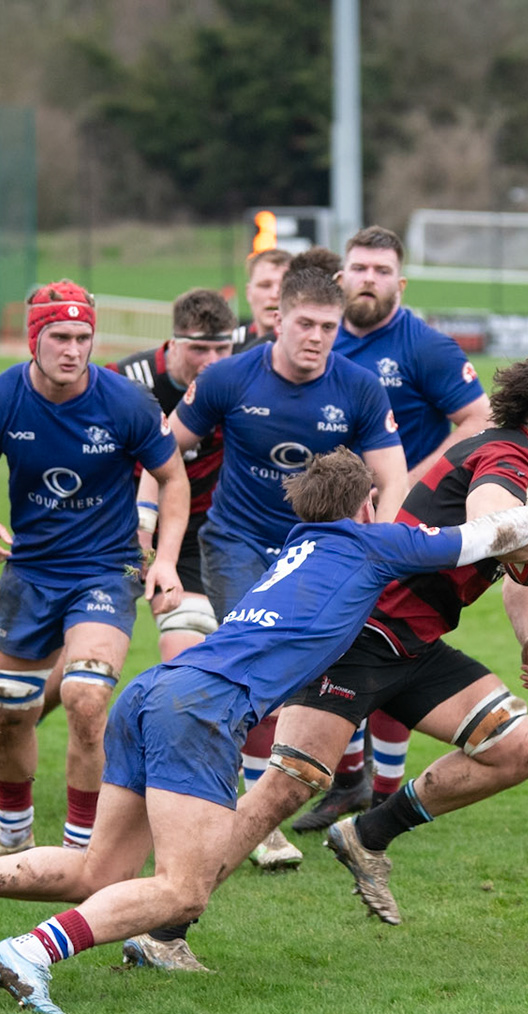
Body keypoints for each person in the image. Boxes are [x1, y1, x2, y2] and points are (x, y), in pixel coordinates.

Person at [0, 448, 528, 1014]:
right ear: (369, 503)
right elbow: (494, 533)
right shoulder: (374, 545)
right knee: (180, 893)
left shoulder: (297, 545)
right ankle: (29, 952)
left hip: (152, 692)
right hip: (201, 711)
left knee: (95, 870)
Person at [238, 347, 528, 930]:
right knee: (287, 790)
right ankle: (166, 921)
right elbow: (497, 533)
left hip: (415, 645)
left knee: (515, 750)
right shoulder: (505, 454)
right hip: (360, 635)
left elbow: (517, 564)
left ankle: (366, 834)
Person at [161, 256, 408, 880]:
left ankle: (268, 791)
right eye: (305, 324)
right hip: (237, 540)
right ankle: (255, 818)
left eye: (329, 326)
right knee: (265, 667)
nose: (317, 338)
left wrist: (386, 546)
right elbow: (166, 451)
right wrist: (154, 538)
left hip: (321, 551)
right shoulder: (229, 378)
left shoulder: (356, 387)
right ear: (277, 320)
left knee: (311, 673)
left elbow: (393, 475)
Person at [0, 288, 237, 810]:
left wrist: (168, 561)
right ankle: (13, 835)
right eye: (59, 337)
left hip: (107, 568)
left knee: (86, 700)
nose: (73, 349)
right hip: (31, 572)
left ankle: (82, 848)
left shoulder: (125, 402)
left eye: (83, 337)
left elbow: (171, 478)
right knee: (10, 710)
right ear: (32, 338)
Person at [299, 225, 496, 833]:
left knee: (387, 643)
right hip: (323, 515)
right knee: (334, 645)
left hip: (402, 525)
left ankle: (381, 790)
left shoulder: (424, 346)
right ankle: (350, 778)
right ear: (340, 277)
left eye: (382, 271)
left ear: (400, 283)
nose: (369, 280)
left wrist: (411, 483)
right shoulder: (319, 338)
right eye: (359, 268)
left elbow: (479, 417)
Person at [117, 288, 238, 661]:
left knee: (187, 643)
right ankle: (32, 713)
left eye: (222, 349)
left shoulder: (238, 382)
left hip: (198, 531)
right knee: (85, 654)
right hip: (120, 527)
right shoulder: (127, 381)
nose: (212, 361)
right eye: (200, 349)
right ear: (173, 341)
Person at [232, 248, 291, 352]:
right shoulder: (228, 346)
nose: (274, 295)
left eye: (284, 286)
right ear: (249, 293)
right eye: (265, 286)